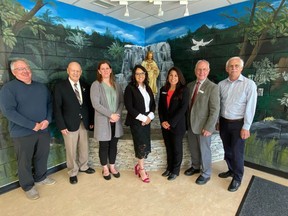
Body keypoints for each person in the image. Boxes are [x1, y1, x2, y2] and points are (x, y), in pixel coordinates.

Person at [0, 58, 55, 200]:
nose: (25, 71)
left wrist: (47, 120)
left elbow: (50, 104)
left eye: (26, 68)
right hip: (22, 133)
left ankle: (41, 177)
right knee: (24, 161)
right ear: (13, 72)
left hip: (43, 130)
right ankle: (28, 186)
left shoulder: (41, 87)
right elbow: (9, 112)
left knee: (42, 156)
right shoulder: (8, 89)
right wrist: (32, 125)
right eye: (20, 69)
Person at [218, 56, 257, 192]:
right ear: (227, 68)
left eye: (236, 66)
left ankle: (237, 178)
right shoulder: (221, 84)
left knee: (237, 152)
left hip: (238, 124)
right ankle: (231, 170)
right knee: (227, 150)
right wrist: (218, 121)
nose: (233, 68)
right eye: (231, 66)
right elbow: (218, 105)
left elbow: (250, 107)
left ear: (241, 68)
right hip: (223, 122)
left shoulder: (249, 84)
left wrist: (246, 127)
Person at [53, 61, 95, 185]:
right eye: (73, 70)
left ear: (81, 72)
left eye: (78, 71)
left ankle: (84, 166)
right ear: (68, 71)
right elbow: (57, 108)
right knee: (71, 150)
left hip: (84, 122)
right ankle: (72, 172)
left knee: (84, 146)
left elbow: (88, 106)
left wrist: (91, 121)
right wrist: (61, 125)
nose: (75, 73)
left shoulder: (85, 85)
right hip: (68, 124)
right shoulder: (60, 86)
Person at [184, 60, 220, 185]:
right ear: (195, 71)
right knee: (193, 148)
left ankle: (206, 174)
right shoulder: (189, 86)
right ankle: (195, 166)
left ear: (208, 71)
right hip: (191, 125)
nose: (201, 72)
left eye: (204, 69)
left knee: (204, 150)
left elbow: (215, 110)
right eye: (199, 69)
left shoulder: (213, 87)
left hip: (204, 127)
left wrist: (209, 127)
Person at [90, 60, 124, 180]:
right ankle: (105, 168)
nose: (105, 71)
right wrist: (110, 115)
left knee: (113, 145)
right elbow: (96, 104)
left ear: (110, 70)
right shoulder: (96, 85)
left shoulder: (116, 84)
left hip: (116, 120)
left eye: (107, 68)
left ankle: (112, 167)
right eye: (102, 69)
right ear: (99, 71)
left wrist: (117, 115)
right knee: (104, 145)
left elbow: (121, 102)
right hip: (103, 121)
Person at [124, 65, 156, 183]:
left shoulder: (148, 87)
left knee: (145, 143)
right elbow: (129, 107)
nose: (140, 76)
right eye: (137, 74)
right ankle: (141, 169)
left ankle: (139, 166)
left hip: (147, 120)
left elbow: (153, 105)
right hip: (136, 121)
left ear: (145, 74)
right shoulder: (130, 88)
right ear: (134, 75)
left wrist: (150, 117)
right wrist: (143, 118)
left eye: (142, 73)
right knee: (141, 144)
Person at [158, 67, 189, 181]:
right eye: (171, 75)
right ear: (168, 77)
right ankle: (169, 168)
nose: (173, 78)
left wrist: (171, 122)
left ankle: (175, 171)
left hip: (177, 125)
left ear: (179, 77)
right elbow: (160, 108)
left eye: (176, 75)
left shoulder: (184, 90)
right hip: (165, 125)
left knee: (176, 148)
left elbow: (183, 108)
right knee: (169, 148)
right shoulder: (163, 89)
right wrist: (162, 122)